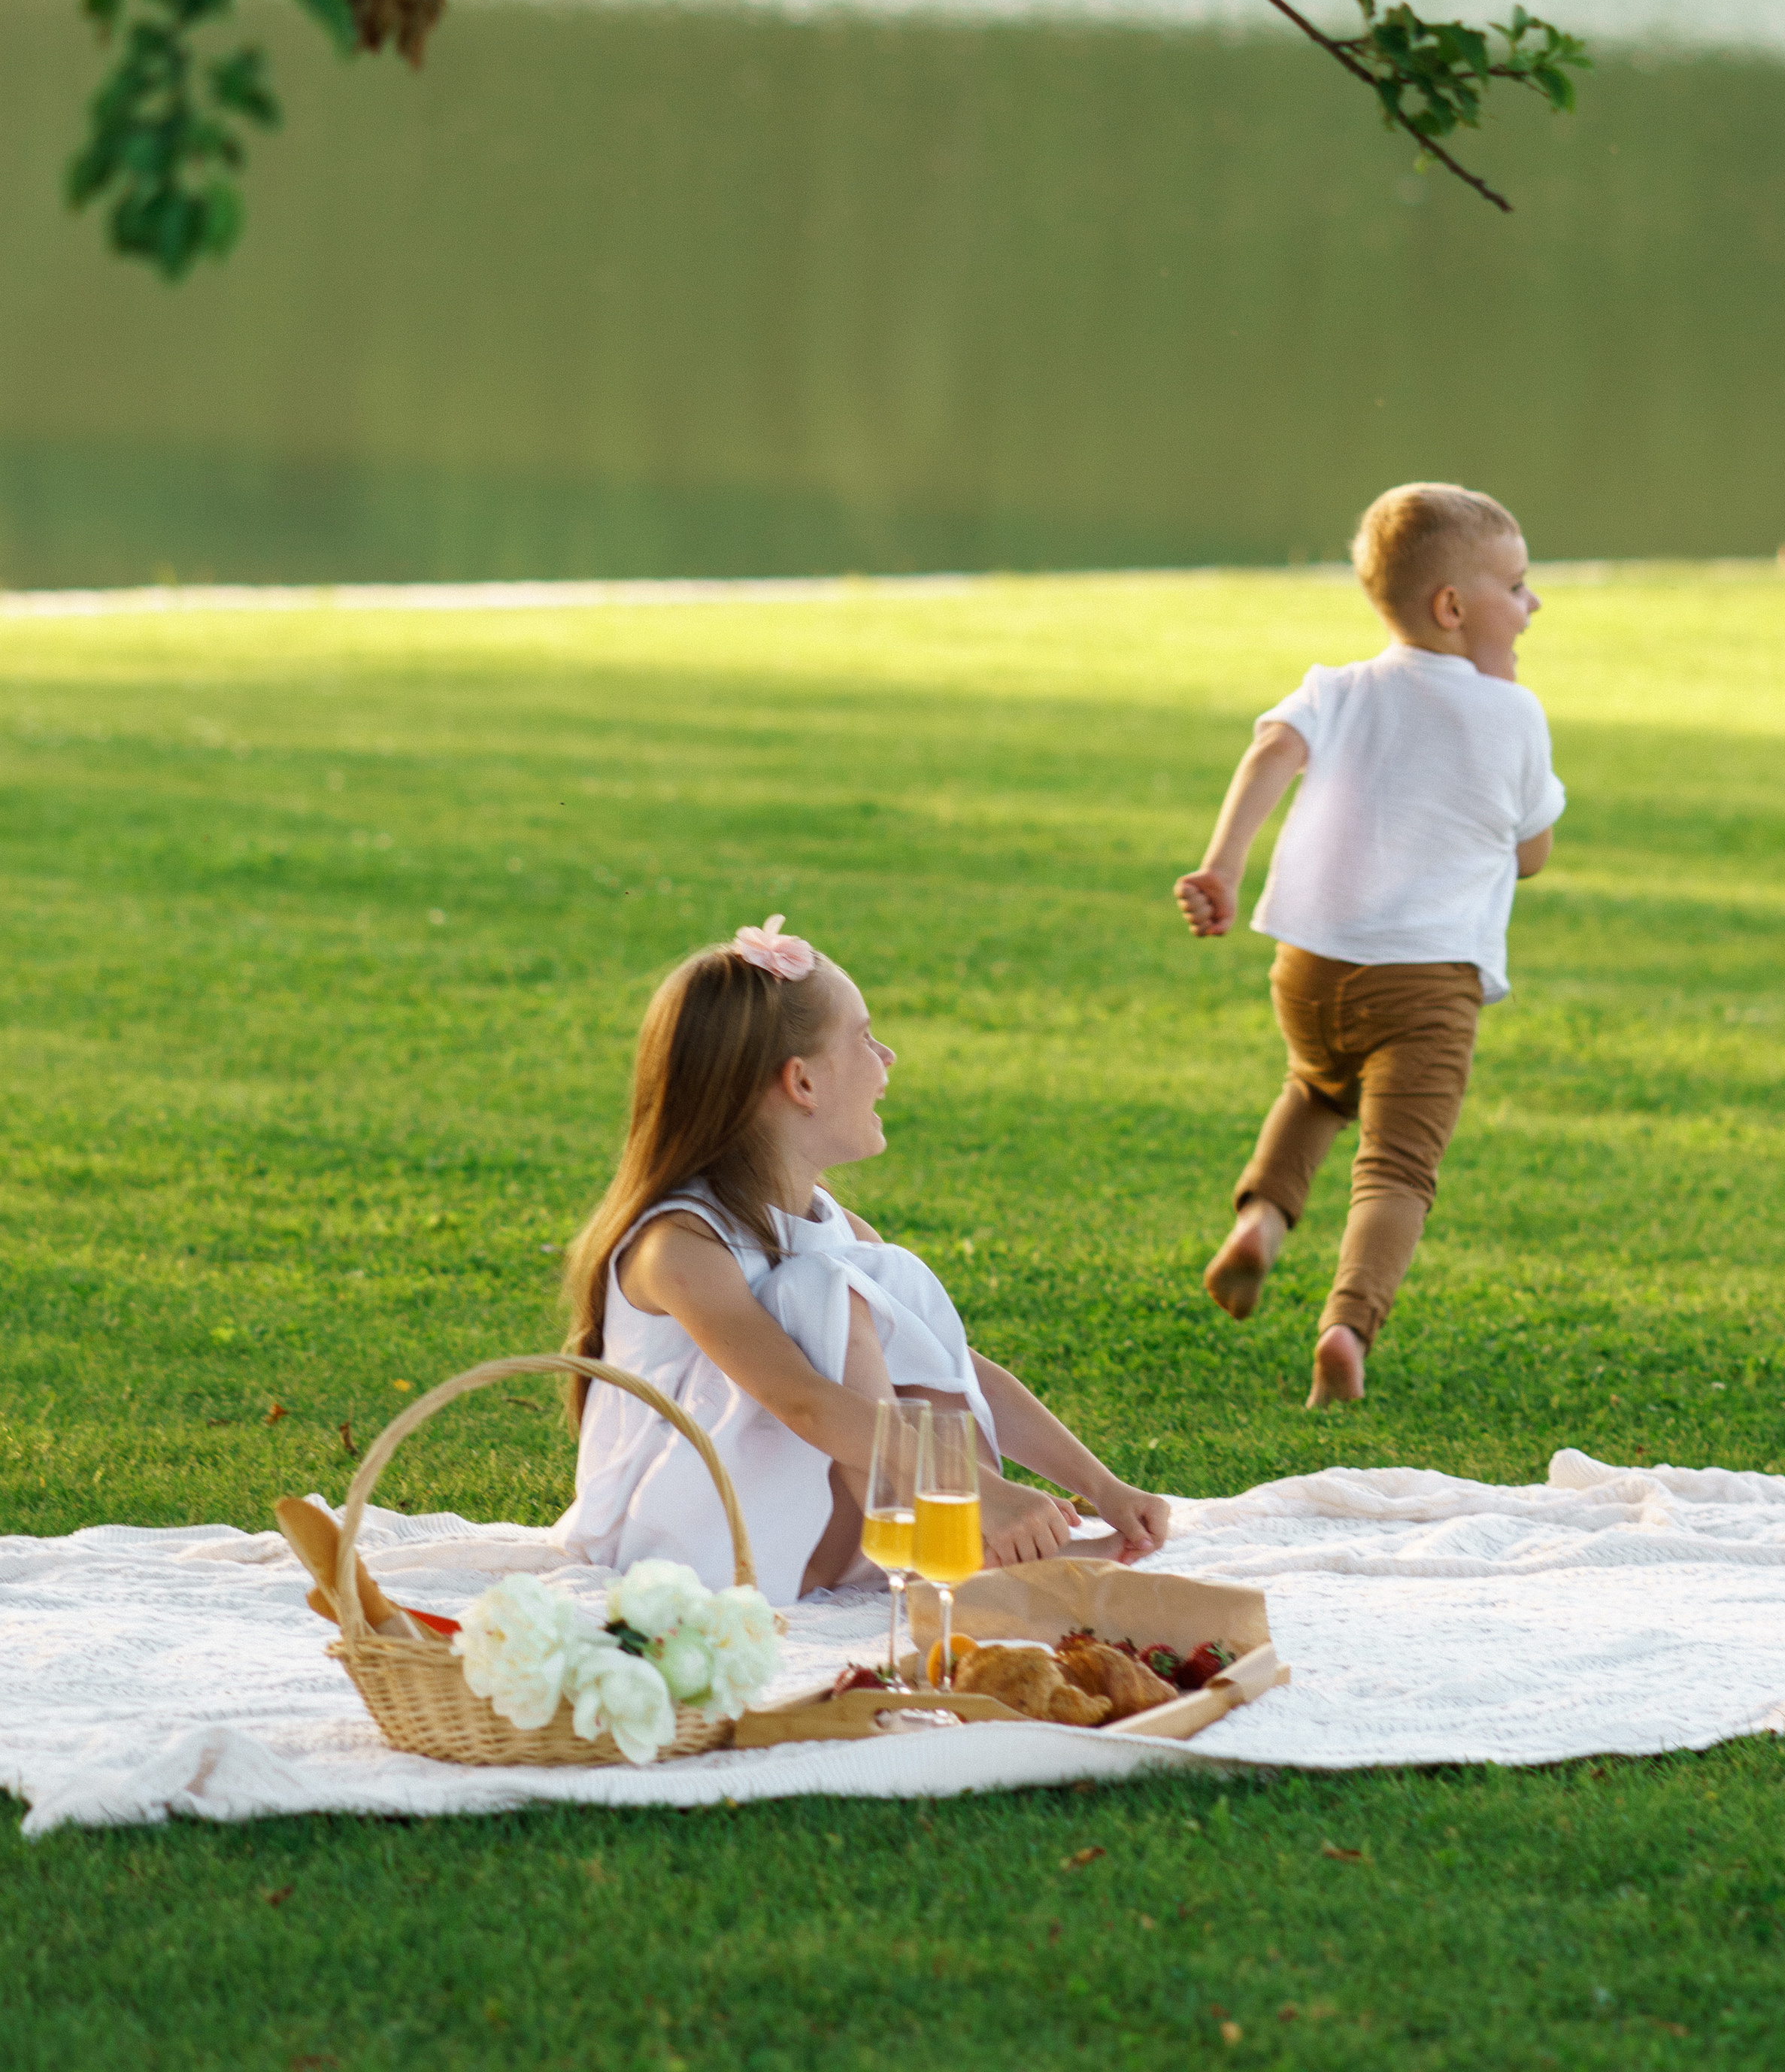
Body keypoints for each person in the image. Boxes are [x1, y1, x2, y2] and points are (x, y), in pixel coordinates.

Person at [555, 918, 1169, 1606]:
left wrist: (1102, 1486)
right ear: (803, 1084)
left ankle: (962, 1547)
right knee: (827, 1288)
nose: (889, 1058)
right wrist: (976, 1490)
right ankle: (965, 1533)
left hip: (796, 1528)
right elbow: (806, 1404)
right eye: (866, 1038)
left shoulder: (837, 1227)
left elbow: (960, 1368)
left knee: (884, 1279)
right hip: (682, 1545)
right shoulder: (680, 1248)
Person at [1174, 483, 1565, 1407]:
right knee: (1396, 1167)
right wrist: (1501, 724)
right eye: (1517, 585)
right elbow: (1534, 855)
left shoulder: (1337, 688)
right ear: (1453, 607)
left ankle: (1264, 1223)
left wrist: (1223, 867)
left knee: (1315, 1087)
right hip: (1428, 984)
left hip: (1310, 967)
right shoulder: (1514, 715)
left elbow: (1270, 750)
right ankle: (1347, 1326)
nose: (1534, 603)